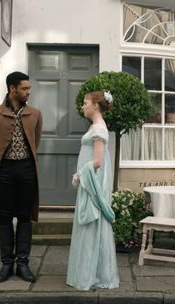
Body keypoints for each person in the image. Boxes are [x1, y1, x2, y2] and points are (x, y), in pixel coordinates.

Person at [0, 71, 43, 283]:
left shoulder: (35, 114)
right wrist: (2, 162)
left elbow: (36, 142)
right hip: (4, 171)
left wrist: (23, 160)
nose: (28, 92)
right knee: (5, 218)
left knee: (25, 217)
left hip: (27, 170)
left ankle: (23, 264)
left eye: (29, 88)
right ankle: (6, 264)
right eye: (25, 89)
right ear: (12, 88)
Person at [67, 90, 119, 290]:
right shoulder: (95, 127)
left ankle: (91, 275)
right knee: (88, 223)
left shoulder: (98, 129)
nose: (83, 106)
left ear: (96, 105)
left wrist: (80, 174)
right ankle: (87, 272)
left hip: (92, 183)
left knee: (91, 223)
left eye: (86, 102)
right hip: (90, 182)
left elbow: (97, 162)